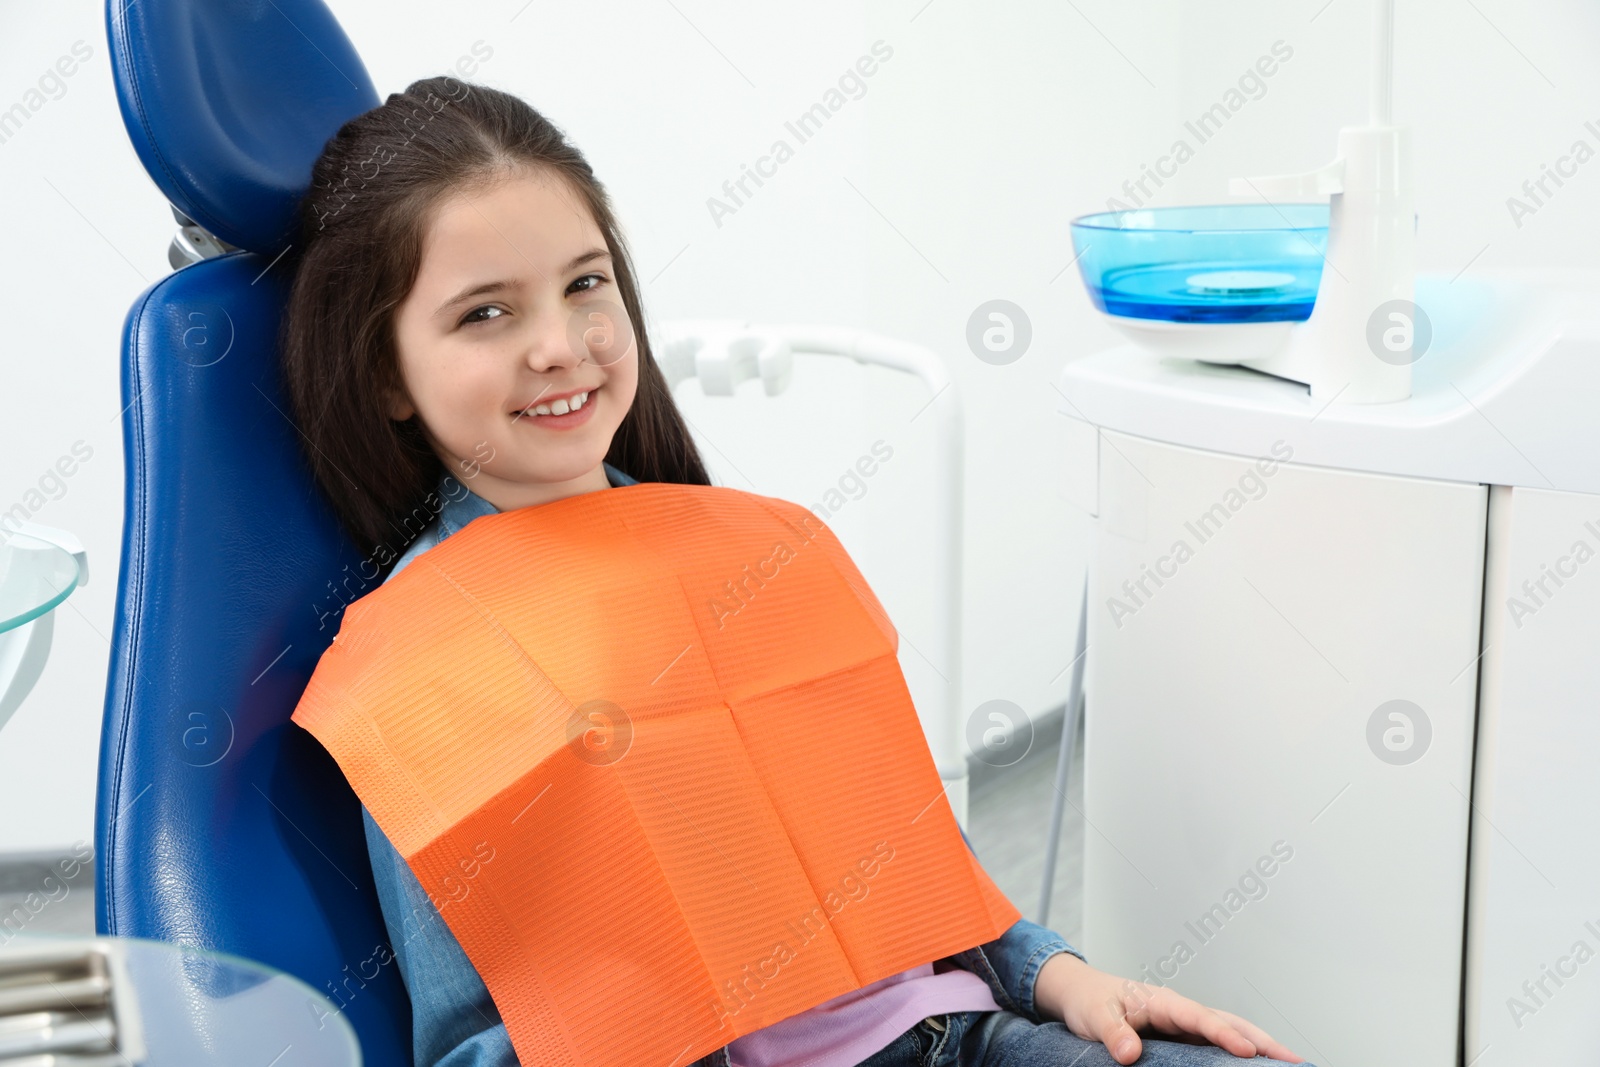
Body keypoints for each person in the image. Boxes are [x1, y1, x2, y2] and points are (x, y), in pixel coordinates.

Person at [278, 75, 1311, 1067]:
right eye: (485, 313)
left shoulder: (762, 550)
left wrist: (1060, 973)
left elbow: (919, 886)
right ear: (385, 373)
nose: (562, 343)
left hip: (973, 1031)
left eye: (584, 283)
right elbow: (475, 1044)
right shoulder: (417, 666)